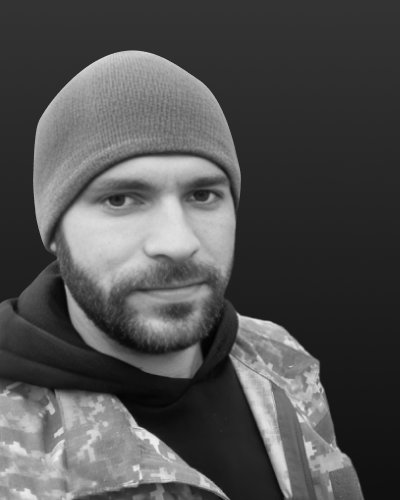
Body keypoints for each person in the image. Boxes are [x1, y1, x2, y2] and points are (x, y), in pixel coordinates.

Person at [0, 51, 363, 500]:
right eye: (121, 199)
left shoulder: (280, 359)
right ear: (55, 230)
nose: (177, 242)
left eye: (203, 194)